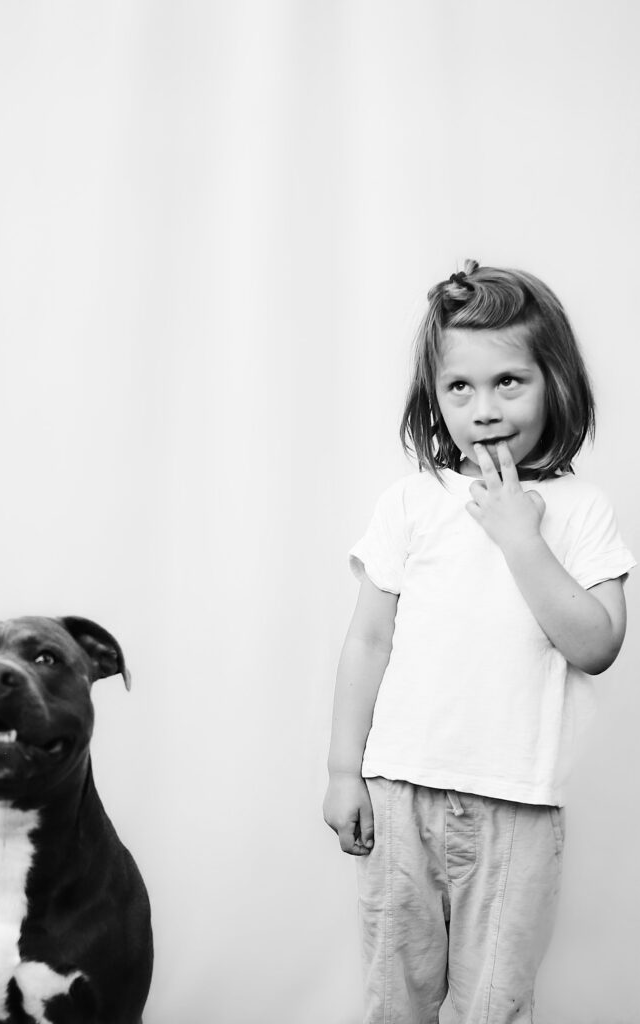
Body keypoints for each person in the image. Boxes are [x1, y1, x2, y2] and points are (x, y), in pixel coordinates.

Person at [323, 260, 635, 1024]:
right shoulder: (412, 501)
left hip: (517, 807)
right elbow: (367, 641)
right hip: (400, 792)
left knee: (493, 1002)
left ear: (553, 384)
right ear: (433, 398)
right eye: (459, 387)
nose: (485, 408)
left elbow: (594, 645)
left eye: (509, 382)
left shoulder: (578, 509)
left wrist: (520, 538)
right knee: (395, 996)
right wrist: (342, 771)